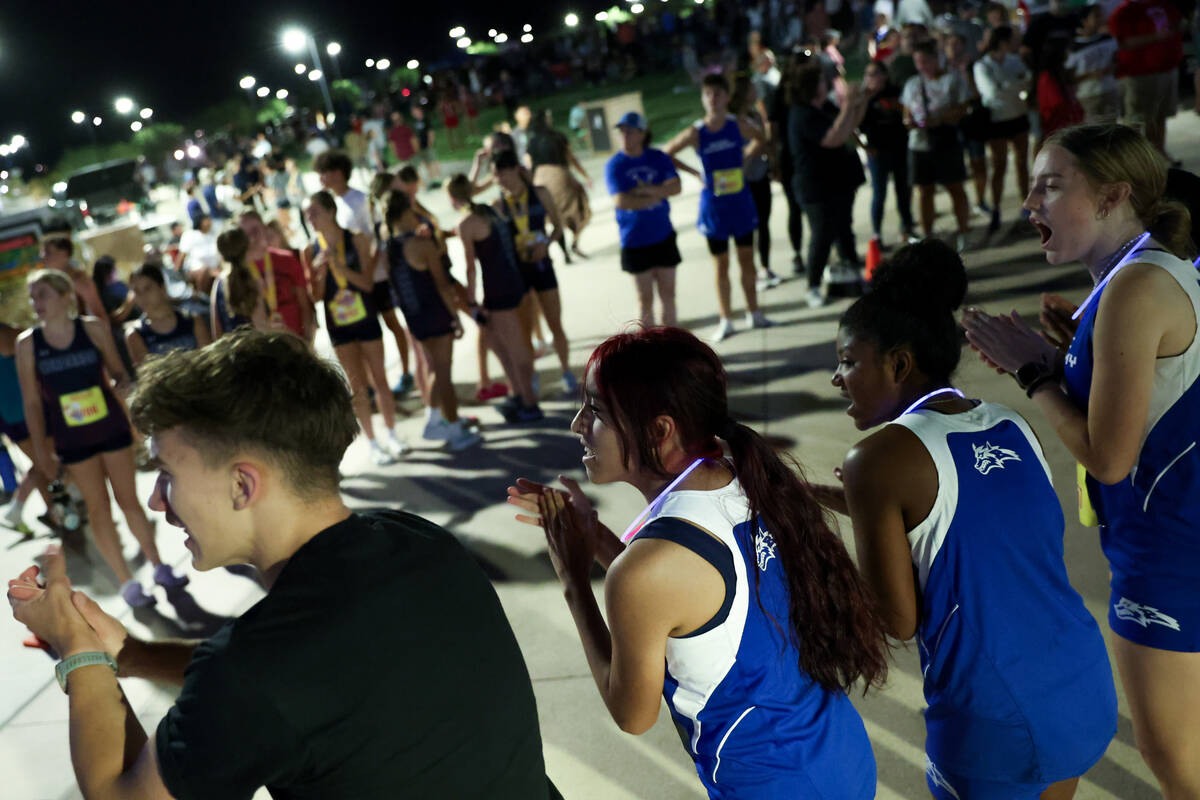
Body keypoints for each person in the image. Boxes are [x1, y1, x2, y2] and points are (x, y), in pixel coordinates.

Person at [6, 329, 557, 799]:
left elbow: (118, 793)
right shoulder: (417, 542)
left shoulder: (255, 668)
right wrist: (132, 655)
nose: (156, 501)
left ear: (242, 484)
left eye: (168, 475)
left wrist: (78, 653)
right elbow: (298, 682)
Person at [505, 326, 889, 798]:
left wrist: (574, 581)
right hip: (838, 755)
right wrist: (597, 540)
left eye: (596, 410)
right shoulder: (740, 475)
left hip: (773, 784)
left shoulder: (648, 568)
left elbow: (633, 714)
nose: (578, 424)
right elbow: (692, 596)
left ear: (659, 430)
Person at [826, 240, 1116, 799]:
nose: (837, 378)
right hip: (1080, 685)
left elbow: (896, 621)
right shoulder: (1010, 423)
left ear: (899, 363)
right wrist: (822, 496)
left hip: (996, 717)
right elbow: (959, 524)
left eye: (847, 360)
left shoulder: (878, 459)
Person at [962, 124, 1200, 796]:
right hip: (1178, 537)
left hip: (1168, 556)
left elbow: (1109, 458)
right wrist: (1077, 356)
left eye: (1050, 185)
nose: (1028, 203)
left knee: (1178, 763)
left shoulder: (1134, 289)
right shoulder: (1140, 275)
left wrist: (1033, 373)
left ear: (1112, 196)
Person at [15, 269, 186, 607]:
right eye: (34, 296)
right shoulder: (28, 344)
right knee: (98, 509)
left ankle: (159, 567)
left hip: (110, 428)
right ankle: (127, 584)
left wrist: (127, 396)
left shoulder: (92, 328)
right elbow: (32, 403)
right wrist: (41, 454)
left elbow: (118, 374)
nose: (37, 303)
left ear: (66, 296)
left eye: (43, 294)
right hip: (72, 440)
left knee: (129, 501)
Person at [664, 73, 773, 341]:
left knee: (747, 260)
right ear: (703, 99)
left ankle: (754, 313)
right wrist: (695, 173)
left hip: (740, 203)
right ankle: (726, 319)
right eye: (708, 95)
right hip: (714, 207)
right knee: (720, 265)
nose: (713, 99)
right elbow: (667, 152)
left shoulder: (738, 125)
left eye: (718, 94)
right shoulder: (697, 131)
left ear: (726, 97)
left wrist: (746, 158)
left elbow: (762, 139)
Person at [304, 190, 409, 465]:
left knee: (380, 379)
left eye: (314, 212)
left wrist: (339, 265)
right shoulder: (309, 249)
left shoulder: (356, 239)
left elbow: (366, 284)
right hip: (338, 324)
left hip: (364, 317)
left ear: (330, 211)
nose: (309, 218)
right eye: (307, 214)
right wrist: (318, 275)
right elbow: (314, 296)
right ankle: (372, 442)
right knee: (357, 386)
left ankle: (392, 435)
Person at [383, 190, 482, 451]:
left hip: (415, 319)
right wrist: (455, 317)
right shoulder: (421, 245)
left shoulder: (388, 249)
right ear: (406, 212)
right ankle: (453, 430)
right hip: (435, 315)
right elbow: (442, 285)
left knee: (437, 371)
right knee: (444, 373)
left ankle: (434, 420)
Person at [447, 174, 543, 423]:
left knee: (515, 349)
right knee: (497, 343)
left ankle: (529, 403)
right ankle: (519, 394)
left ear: (452, 197)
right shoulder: (491, 211)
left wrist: (471, 301)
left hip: (500, 290)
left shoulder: (467, 222)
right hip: (515, 283)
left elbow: (470, 267)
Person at [493, 150, 579, 396]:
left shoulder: (540, 193)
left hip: (542, 266)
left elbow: (558, 227)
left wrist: (546, 243)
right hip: (519, 273)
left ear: (514, 170)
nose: (499, 180)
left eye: (501, 174)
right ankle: (532, 376)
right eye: (496, 176)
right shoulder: (498, 205)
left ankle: (566, 371)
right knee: (525, 330)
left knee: (555, 324)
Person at [789, 62, 868, 309]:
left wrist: (860, 101)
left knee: (844, 230)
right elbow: (833, 138)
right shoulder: (804, 114)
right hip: (816, 187)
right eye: (823, 81)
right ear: (813, 87)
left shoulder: (823, 107)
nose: (827, 84)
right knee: (821, 236)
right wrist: (848, 104)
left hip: (836, 184)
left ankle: (851, 277)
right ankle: (812, 286)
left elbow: (847, 126)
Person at [604, 112, 683, 328]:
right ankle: (647, 350)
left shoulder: (657, 157)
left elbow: (676, 187)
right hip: (634, 240)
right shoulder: (615, 165)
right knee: (644, 299)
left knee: (668, 294)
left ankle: (672, 344)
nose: (624, 135)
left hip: (663, 235)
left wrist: (645, 191)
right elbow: (621, 201)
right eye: (621, 131)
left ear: (642, 133)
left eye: (630, 131)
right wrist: (658, 193)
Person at [901, 39, 972, 252]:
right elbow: (906, 110)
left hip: (945, 140)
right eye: (917, 62)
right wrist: (909, 122)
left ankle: (963, 231)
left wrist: (939, 119)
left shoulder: (951, 80)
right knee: (924, 190)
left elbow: (962, 108)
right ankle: (928, 236)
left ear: (934, 60)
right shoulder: (912, 83)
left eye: (924, 61)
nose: (921, 66)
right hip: (919, 143)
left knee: (954, 186)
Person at [974, 25, 1031, 234]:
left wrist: (1007, 86)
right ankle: (996, 208)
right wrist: (1014, 85)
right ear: (1004, 42)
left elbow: (1026, 82)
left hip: (1017, 115)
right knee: (999, 166)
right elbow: (990, 92)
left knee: (1022, 163)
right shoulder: (982, 65)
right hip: (997, 120)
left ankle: (1026, 205)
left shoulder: (1014, 61)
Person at [1108, 0, 1181, 156]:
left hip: (1166, 70)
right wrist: (1155, 37)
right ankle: (1134, 158)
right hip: (1138, 75)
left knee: (1160, 116)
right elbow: (1122, 43)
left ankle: (1158, 153)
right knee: (1136, 120)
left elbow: (1175, 27)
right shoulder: (1124, 12)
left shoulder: (1165, 5)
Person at [730, 77, 781, 290]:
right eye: (751, 88)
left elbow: (766, 144)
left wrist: (774, 165)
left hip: (760, 176)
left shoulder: (754, 115)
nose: (755, 91)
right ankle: (751, 272)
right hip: (742, 182)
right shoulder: (732, 121)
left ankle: (765, 267)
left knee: (764, 224)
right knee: (747, 229)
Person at [860, 60, 917, 248]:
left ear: (884, 74)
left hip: (899, 147)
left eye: (876, 73)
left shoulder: (896, 91)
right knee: (879, 193)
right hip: (878, 151)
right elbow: (854, 126)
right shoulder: (864, 98)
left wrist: (901, 109)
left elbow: (910, 113)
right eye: (869, 74)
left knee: (904, 190)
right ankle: (877, 234)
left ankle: (907, 228)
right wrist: (864, 146)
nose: (873, 77)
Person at [0, 323, 49, 535]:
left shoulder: (14, 333)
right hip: (19, 413)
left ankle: (23, 509)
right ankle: (52, 511)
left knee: (43, 463)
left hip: (18, 412)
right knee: (44, 463)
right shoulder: (13, 334)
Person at [526, 109, 592, 260]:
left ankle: (565, 253)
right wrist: (584, 175)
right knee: (577, 210)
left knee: (556, 217)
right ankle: (574, 243)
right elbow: (571, 158)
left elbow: (529, 164)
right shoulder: (558, 137)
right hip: (560, 177)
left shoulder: (532, 140)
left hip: (541, 180)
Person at [125, 263, 211, 368]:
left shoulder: (193, 320)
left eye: (148, 288)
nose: (142, 296)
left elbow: (208, 361)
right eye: (136, 291)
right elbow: (148, 374)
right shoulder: (135, 334)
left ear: (162, 287)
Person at [1067, 4, 1120, 124]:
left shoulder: (1108, 39)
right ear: (1084, 21)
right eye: (1096, 16)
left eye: (1101, 15)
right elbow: (1068, 77)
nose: (1101, 19)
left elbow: (1117, 60)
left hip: (1109, 89)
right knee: (1094, 131)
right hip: (1088, 95)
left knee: (1111, 128)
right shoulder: (1074, 47)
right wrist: (1091, 75)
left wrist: (1112, 67)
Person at [1036, 39, 1085, 139]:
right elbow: (1057, 103)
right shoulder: (1047, 77)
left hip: (1068, 124)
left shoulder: (1060, 73)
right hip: (1059, 128)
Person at [178, 214, 221, 295]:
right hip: (196, 270)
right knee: (205, 271)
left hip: (214, 269)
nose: (209, 222)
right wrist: (179, 276)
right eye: (206, 220)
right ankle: (202, 297)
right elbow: (181, 256)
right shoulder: (190, 235)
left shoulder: (213, 234)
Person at [410, 105, 442, 187]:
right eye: (413, 111)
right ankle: (433, 180)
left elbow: (431, 133)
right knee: (426, 163)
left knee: (433, 161)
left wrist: (430, 144)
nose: (414, 113)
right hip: (420, 147)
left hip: (427, 146)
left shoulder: (426, 120)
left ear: (419, 110)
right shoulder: (415, 122)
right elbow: (415, 136)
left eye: (415, 111)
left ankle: (439, 178)